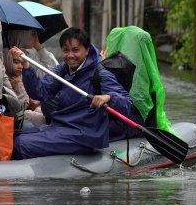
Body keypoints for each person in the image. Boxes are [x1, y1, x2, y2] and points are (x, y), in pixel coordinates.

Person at [8, 27, 134, 160]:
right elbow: (40, 91)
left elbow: (127, 103)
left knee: (20, 144)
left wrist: (109, 97)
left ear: (87, 50)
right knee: (13, 137)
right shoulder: (63, 69)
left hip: (83, 135)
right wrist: (26, 66)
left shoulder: (101, 74)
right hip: (60, 127)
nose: (70, 56)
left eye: (75, 50)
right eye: (65, 50)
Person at [102, 26, 176, 141]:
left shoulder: (106, 68)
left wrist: (102, 65)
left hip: (125, 124)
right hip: (126, 123)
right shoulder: (107, 69)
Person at [2, 29, 57, 127]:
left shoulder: (27, 55)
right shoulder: (6, 57)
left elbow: (54, 73)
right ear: (20, 35)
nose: (36, 37)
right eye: (32, 34)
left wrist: (39, 47)